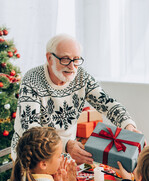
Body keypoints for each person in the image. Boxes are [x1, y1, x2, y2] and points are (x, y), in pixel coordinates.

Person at [11, 34, 139, 165]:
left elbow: (106, 103)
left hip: (64, 157)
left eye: (76, 59)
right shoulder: (32, 79)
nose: (72, 67)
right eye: (65, 59)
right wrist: (66, 145)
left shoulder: (82, 76)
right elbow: (30, 129)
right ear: (49, 58)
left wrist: (127, 124)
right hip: (31, 157)